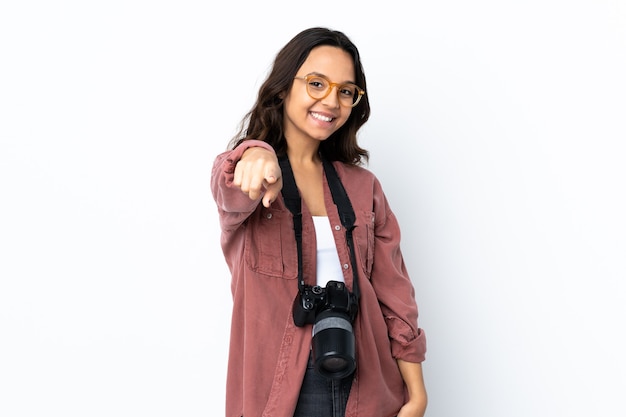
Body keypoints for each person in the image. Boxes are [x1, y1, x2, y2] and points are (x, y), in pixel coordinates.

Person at [211, 27, 427, 417]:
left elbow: (396, 296)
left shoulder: (363, 188)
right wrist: (252, 152)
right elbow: (230, 190)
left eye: (346, 91)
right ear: (282, 88)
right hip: (280, 386)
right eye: (316, 84)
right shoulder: (250, 175)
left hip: (367, 378)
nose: (331, 100)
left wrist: (416, 394)